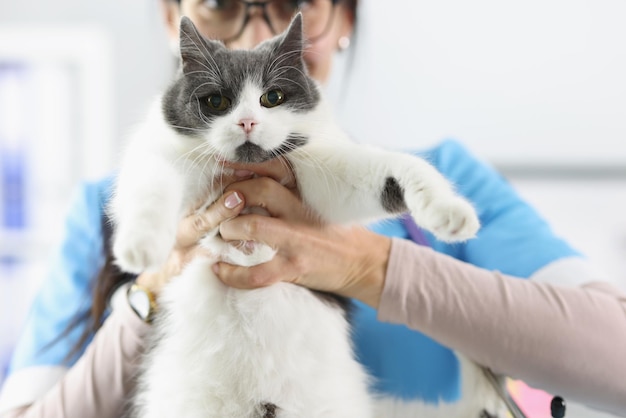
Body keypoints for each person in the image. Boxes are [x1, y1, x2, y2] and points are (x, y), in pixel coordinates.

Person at [1, 0, 626, 417]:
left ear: (344, 16)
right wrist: (152, 288)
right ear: (174, 20)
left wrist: (369, 266)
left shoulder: (438, 181)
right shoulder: (107, 207)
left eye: (290, 3)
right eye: (222, 3)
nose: (256, 34)